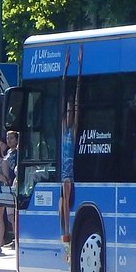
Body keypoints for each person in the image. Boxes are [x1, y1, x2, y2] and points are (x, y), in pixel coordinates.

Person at [59, 46, 83, 259]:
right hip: (61, 173)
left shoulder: (72, 131)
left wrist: (78, 68)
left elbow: (75, 100)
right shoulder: (62, 128)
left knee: (66, 202)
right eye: (66, 111)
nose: (68, 113)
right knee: (60, 206)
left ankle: (67, 235)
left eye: (70, 111)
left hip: (69, 172)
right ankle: (64, 236)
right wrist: (66, 69)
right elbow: (63, 97)